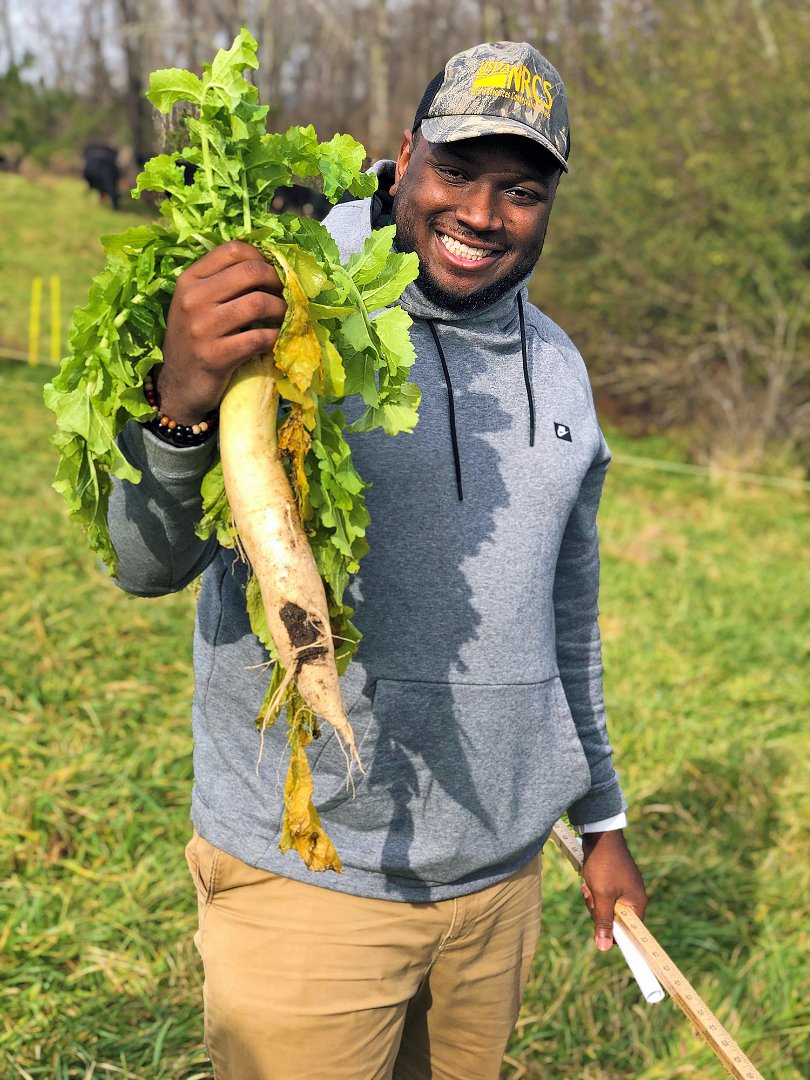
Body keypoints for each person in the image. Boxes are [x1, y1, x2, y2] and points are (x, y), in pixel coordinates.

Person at [108, 40, 647, 1080]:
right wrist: (179, 403)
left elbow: (564, 617)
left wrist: (602, 819)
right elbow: (142, 566)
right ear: (403, 158)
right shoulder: (282, 313)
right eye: (458, 171)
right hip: (310, 878)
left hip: (497, 883)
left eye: (522, 188)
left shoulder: (562, 372)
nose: (484, 214)